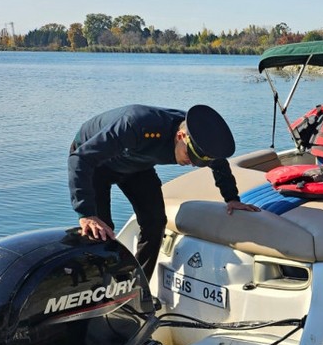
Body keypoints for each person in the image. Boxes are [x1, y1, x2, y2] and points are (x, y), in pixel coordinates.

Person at [68, 104, 259, 279]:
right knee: (101, 231)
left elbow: (219, 164)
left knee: (155, 221)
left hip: (136, 164)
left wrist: (232, 199)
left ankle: (138, 284)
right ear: (180, 137)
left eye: (197, 162)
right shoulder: (137, 124)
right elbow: (80, 159)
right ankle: (99, 289)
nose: (191, 163)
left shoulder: (199, 136)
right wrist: (86, 213)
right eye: (189, 156)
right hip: (95, 164)